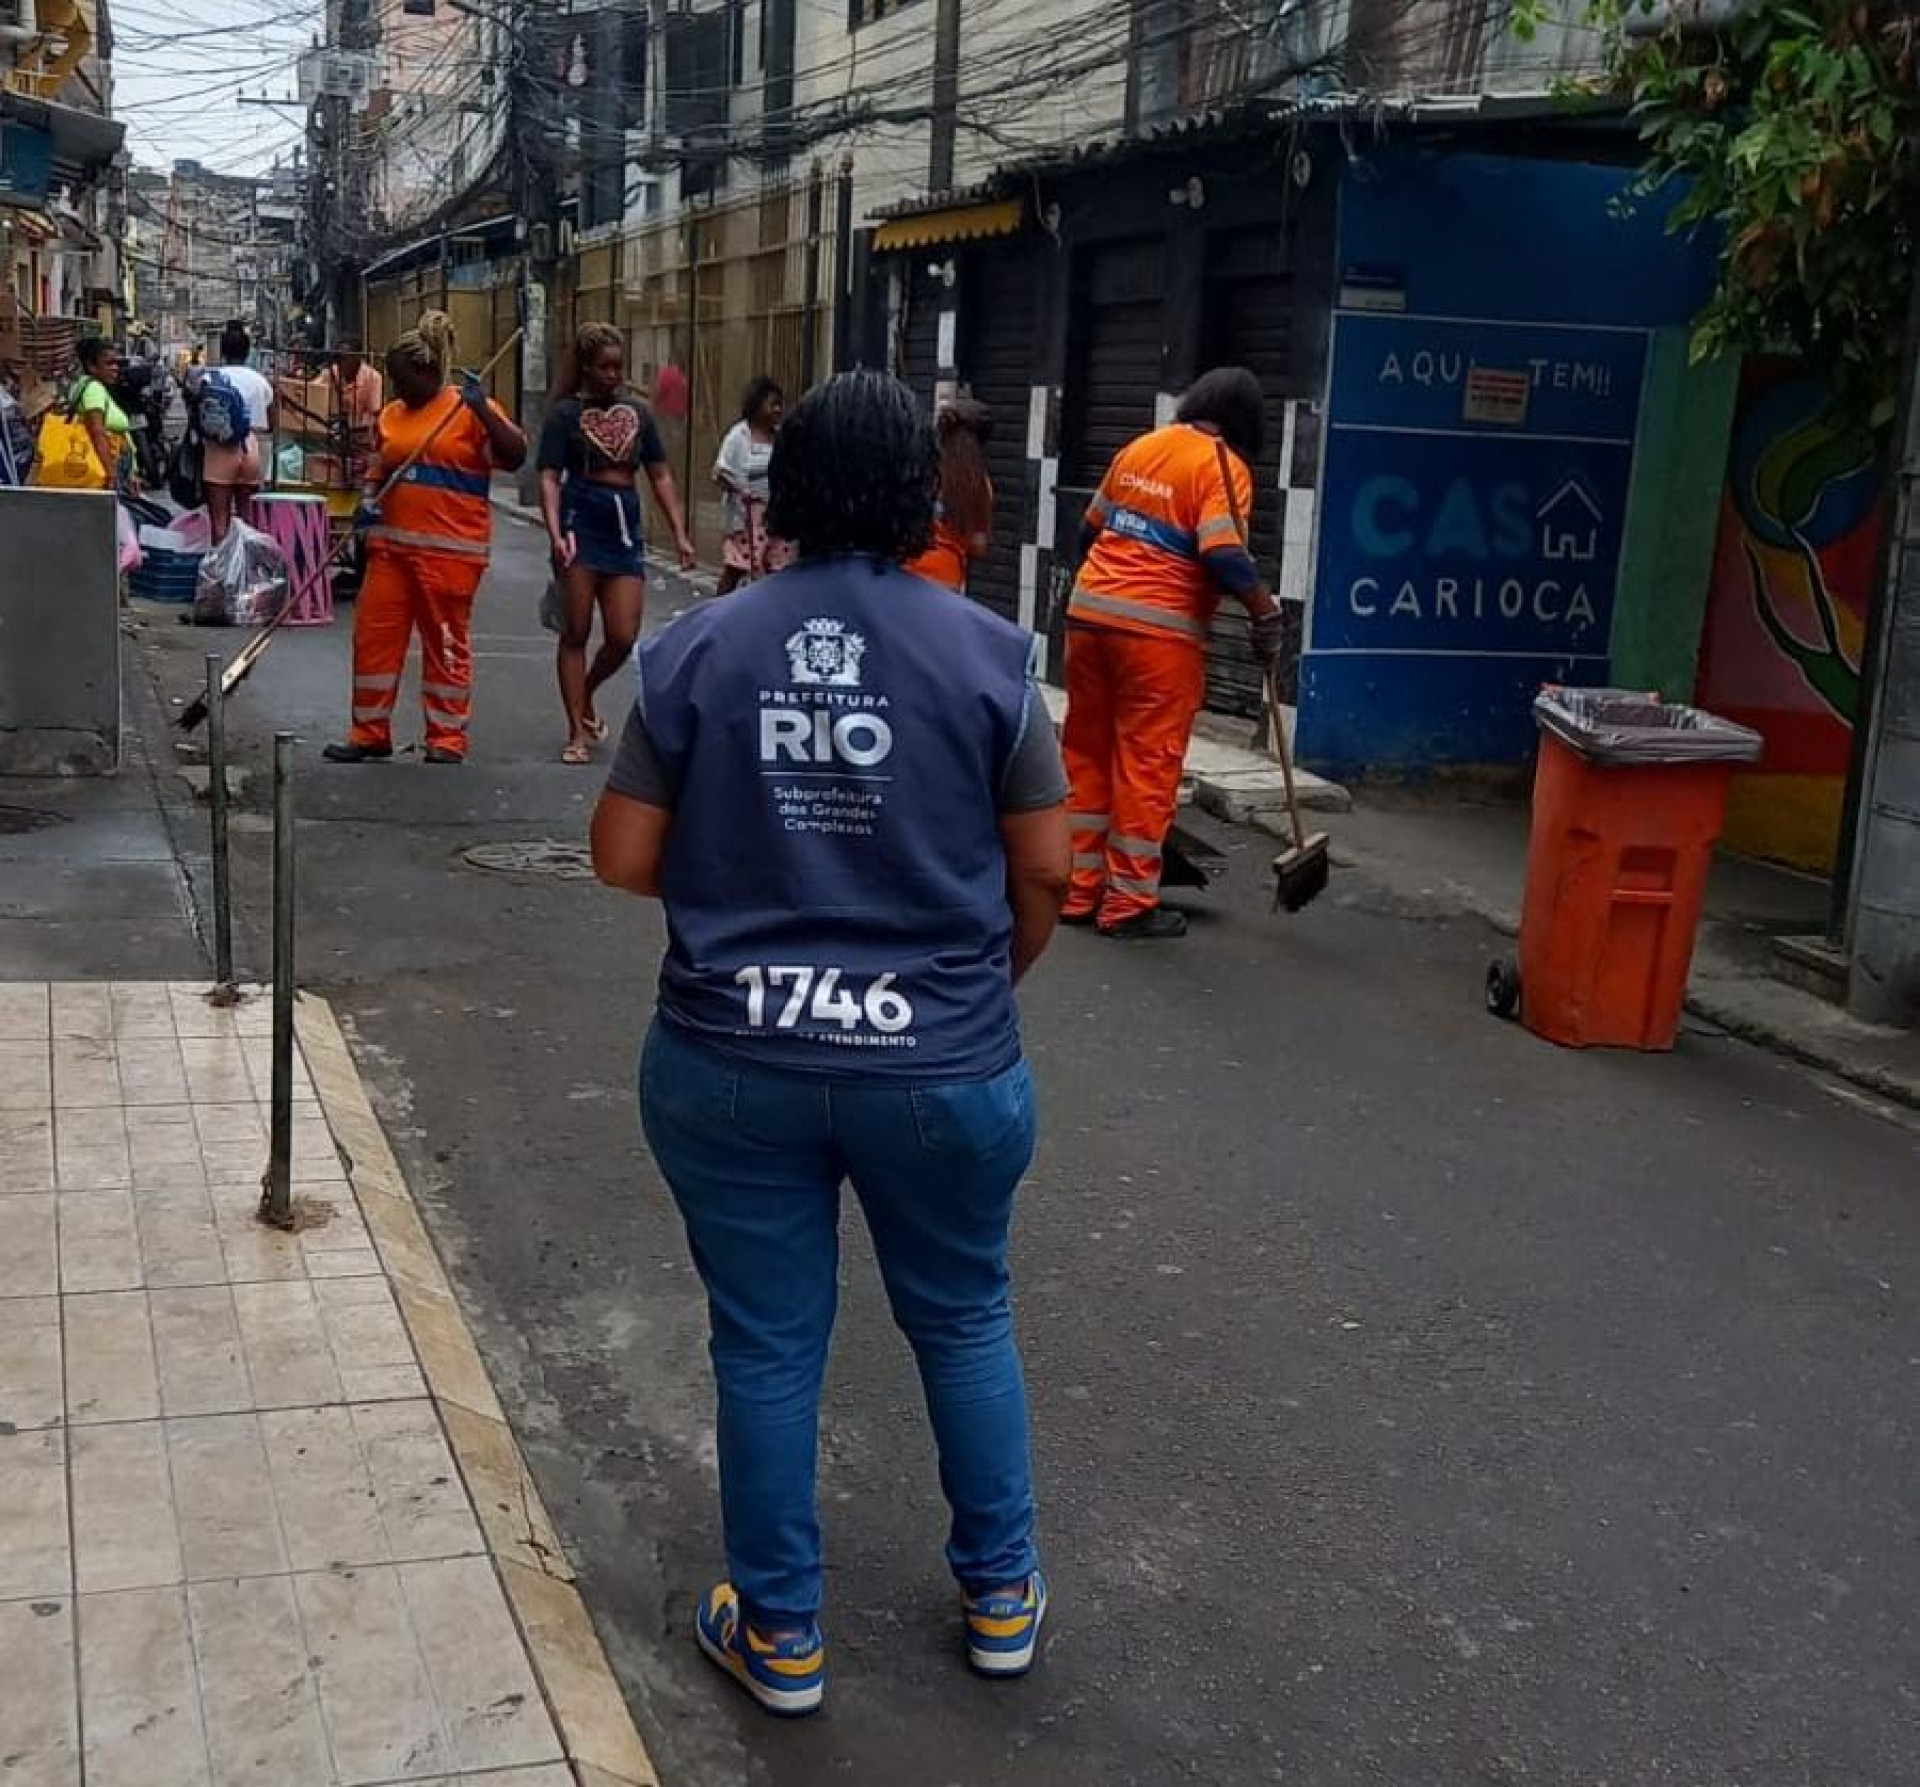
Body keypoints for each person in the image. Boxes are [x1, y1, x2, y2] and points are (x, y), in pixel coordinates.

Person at [591, 370, 1070, 1718]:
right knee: (965, 1312)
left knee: (765, 1341)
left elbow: (623, 855)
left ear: (781, 488)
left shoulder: (703, 647)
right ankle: (1001, 1595)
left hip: (729, 1059)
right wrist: (979, 985)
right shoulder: (987, 654)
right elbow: (1046, 867)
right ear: (923, 491)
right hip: (944, 1066)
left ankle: (782, 1632)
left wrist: (753, 861)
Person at [1060, 366, 1287, 940]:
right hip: (1157, 636)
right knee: (1146, 762)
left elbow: (1089, 531)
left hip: (1088, 619)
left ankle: (1075, 891)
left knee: (1085, 752)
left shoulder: (1140, 447)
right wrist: (1264, 610)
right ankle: (1129, 903)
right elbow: (1223, 553)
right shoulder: (1222, 465)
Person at [323, 310, 527, 766]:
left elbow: (515, 456)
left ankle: (447, 738)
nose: (397, 391)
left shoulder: (468, 409)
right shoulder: (393, 415)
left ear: (428, 371)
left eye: (402, 380)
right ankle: (369, 732)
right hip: (391, 550)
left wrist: (484, 414)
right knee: (374, 638)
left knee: (445, 645)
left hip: (450, 553)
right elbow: (380, 465)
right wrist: (368, 500)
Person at [537, 322, 696, 764]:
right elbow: (549, 477)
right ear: (586, 367)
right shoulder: (564, 415)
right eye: (605, 367)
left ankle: (586, 690)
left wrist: (680, 532)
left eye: (618, 367)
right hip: (578, 522)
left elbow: (660, 473)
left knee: (623, 635)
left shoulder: (639, 414)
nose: (614, 375)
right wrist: (554, 534)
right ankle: (575, 731)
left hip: (624, 524)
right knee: (576, 629)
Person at [904, 396, 994, 592]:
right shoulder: (979, 484)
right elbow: (979, 546)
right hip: (947, 579)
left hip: (907, 575)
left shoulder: (921, 470)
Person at [198, 321, 276, 543]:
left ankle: (223, 572)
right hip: (251, 446)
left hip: (219, 450)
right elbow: (271, 422)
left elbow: (200, 418)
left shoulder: (209, 378)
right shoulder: (260, 381)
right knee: (248, 520)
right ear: (247, 351)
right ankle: (246, 571)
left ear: (222, 352)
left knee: (220, 521)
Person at [712, 375, 786, 593]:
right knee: (736, 568)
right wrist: (740, 489)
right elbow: (720, 471)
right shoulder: (739, 436)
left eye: (780, 405)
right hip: (744, 518)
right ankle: (719, 608)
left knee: (776, 567)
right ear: (755, 406)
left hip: (773, 516)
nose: (778, 410)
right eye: (772, 404)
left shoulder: (781, 438)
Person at [69, 337, 134, 490]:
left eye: (117, 363)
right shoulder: (94, 390)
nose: (115, 368)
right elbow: (97, 433)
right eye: (109, 363)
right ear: (92, 366)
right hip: (105, 471)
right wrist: (111, 474)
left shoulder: (89, 386)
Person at [320, 337, 383, 483]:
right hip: (334, 436)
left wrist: (353, 427)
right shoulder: (331, 373)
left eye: (346, 358)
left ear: (358, 357)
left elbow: (374, 414)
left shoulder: (373, 378)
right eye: (339, 358)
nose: (341, 363)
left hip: (361, 440)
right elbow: (313, 392)